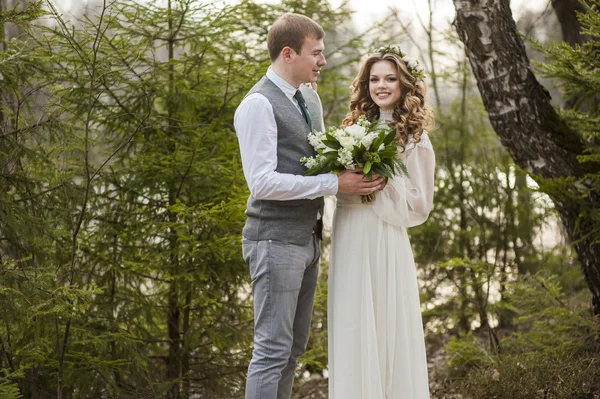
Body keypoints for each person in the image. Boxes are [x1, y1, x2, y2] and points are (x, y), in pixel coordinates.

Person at [234, 13, 385, 399]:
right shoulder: (257, 106)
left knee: (292, 351)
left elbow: (309, 161)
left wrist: (353, 165)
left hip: (307, 240)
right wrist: (335, 183)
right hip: (273, 242)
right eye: (316, 53)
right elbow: (262, 182)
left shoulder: (310, 98)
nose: (323, 61)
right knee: (271, 351)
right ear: (289, 54)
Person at [328, 46, 436, 399]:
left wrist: (386, 182)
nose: (381, 86)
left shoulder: (415, 138)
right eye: (374, 79)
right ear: (365, 84)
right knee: (352, 321)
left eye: (390, 78)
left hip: (383, 234)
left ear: (405, 85)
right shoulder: (353, 129)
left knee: (385, 320)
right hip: (349, 232)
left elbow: (420, 205)